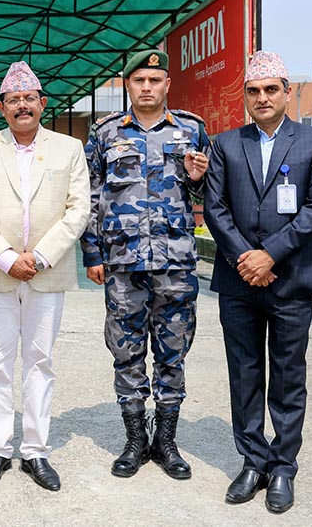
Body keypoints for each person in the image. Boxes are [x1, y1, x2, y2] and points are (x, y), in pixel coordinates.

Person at [203, 51, 312, 514]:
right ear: (246, 97)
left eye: (271, 89)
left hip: (290, 278)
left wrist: (270, 254)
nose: (262, 98)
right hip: (239, 282)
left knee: (289, 376)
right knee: (245, 372)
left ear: (286, 92)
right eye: (253, 91)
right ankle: (253, 460)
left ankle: (283, 468)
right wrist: (246, 260)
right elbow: (215, 209)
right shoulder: (226, 144)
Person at [81, 49, 210, 481]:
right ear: (127, 86)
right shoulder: (105, 133)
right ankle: (135, 440)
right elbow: (89, 198)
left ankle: (167, 441)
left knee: (173, 352)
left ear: (167, 84)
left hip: (175, 264)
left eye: (155, 80)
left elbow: (211, 194)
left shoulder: (192, 130)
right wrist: (92, 253)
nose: (147, 87)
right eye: (139, 81)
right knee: (127, 351)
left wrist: (198, 180)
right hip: (122, 265)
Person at [0, 62, 90, 492]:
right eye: (13, 100)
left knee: (40, 362)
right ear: (2, 108)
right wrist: (3, 256)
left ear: (43, 104)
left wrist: (38, 257)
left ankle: (36, 450)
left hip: (46, 272)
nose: (22, 106)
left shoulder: (69, 149)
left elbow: (78, 210)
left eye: (29, 98)